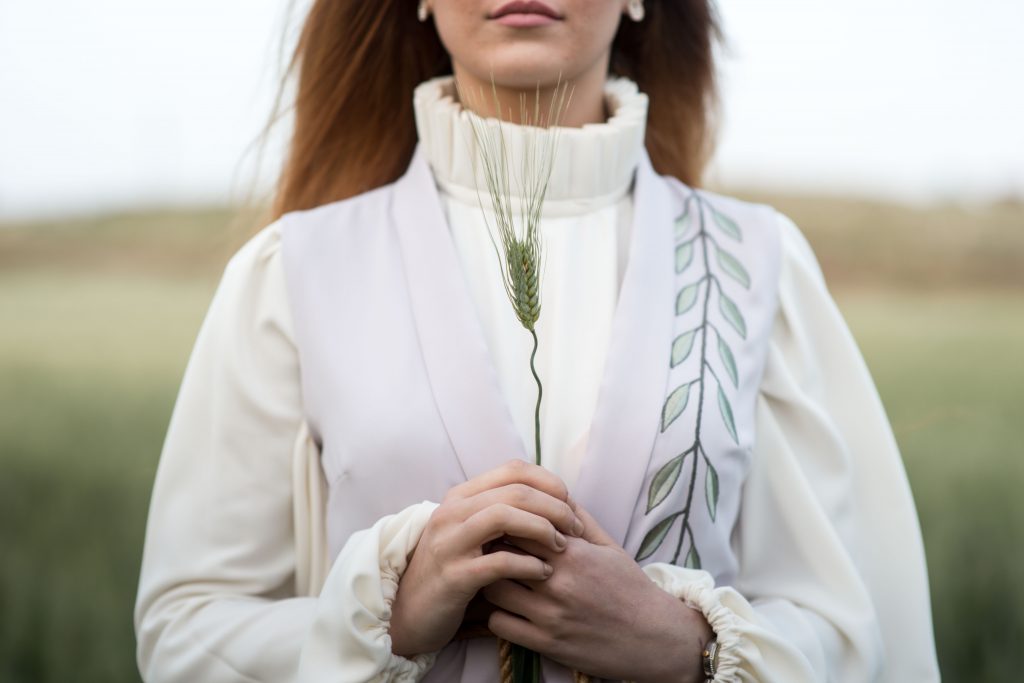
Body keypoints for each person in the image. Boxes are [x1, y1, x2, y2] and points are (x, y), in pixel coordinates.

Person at [132, 1, 941, 681]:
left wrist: (683, 644)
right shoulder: (292, 272)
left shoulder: (758, 267)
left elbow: (861, 633)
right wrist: (393, 613)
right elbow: (184, 630)